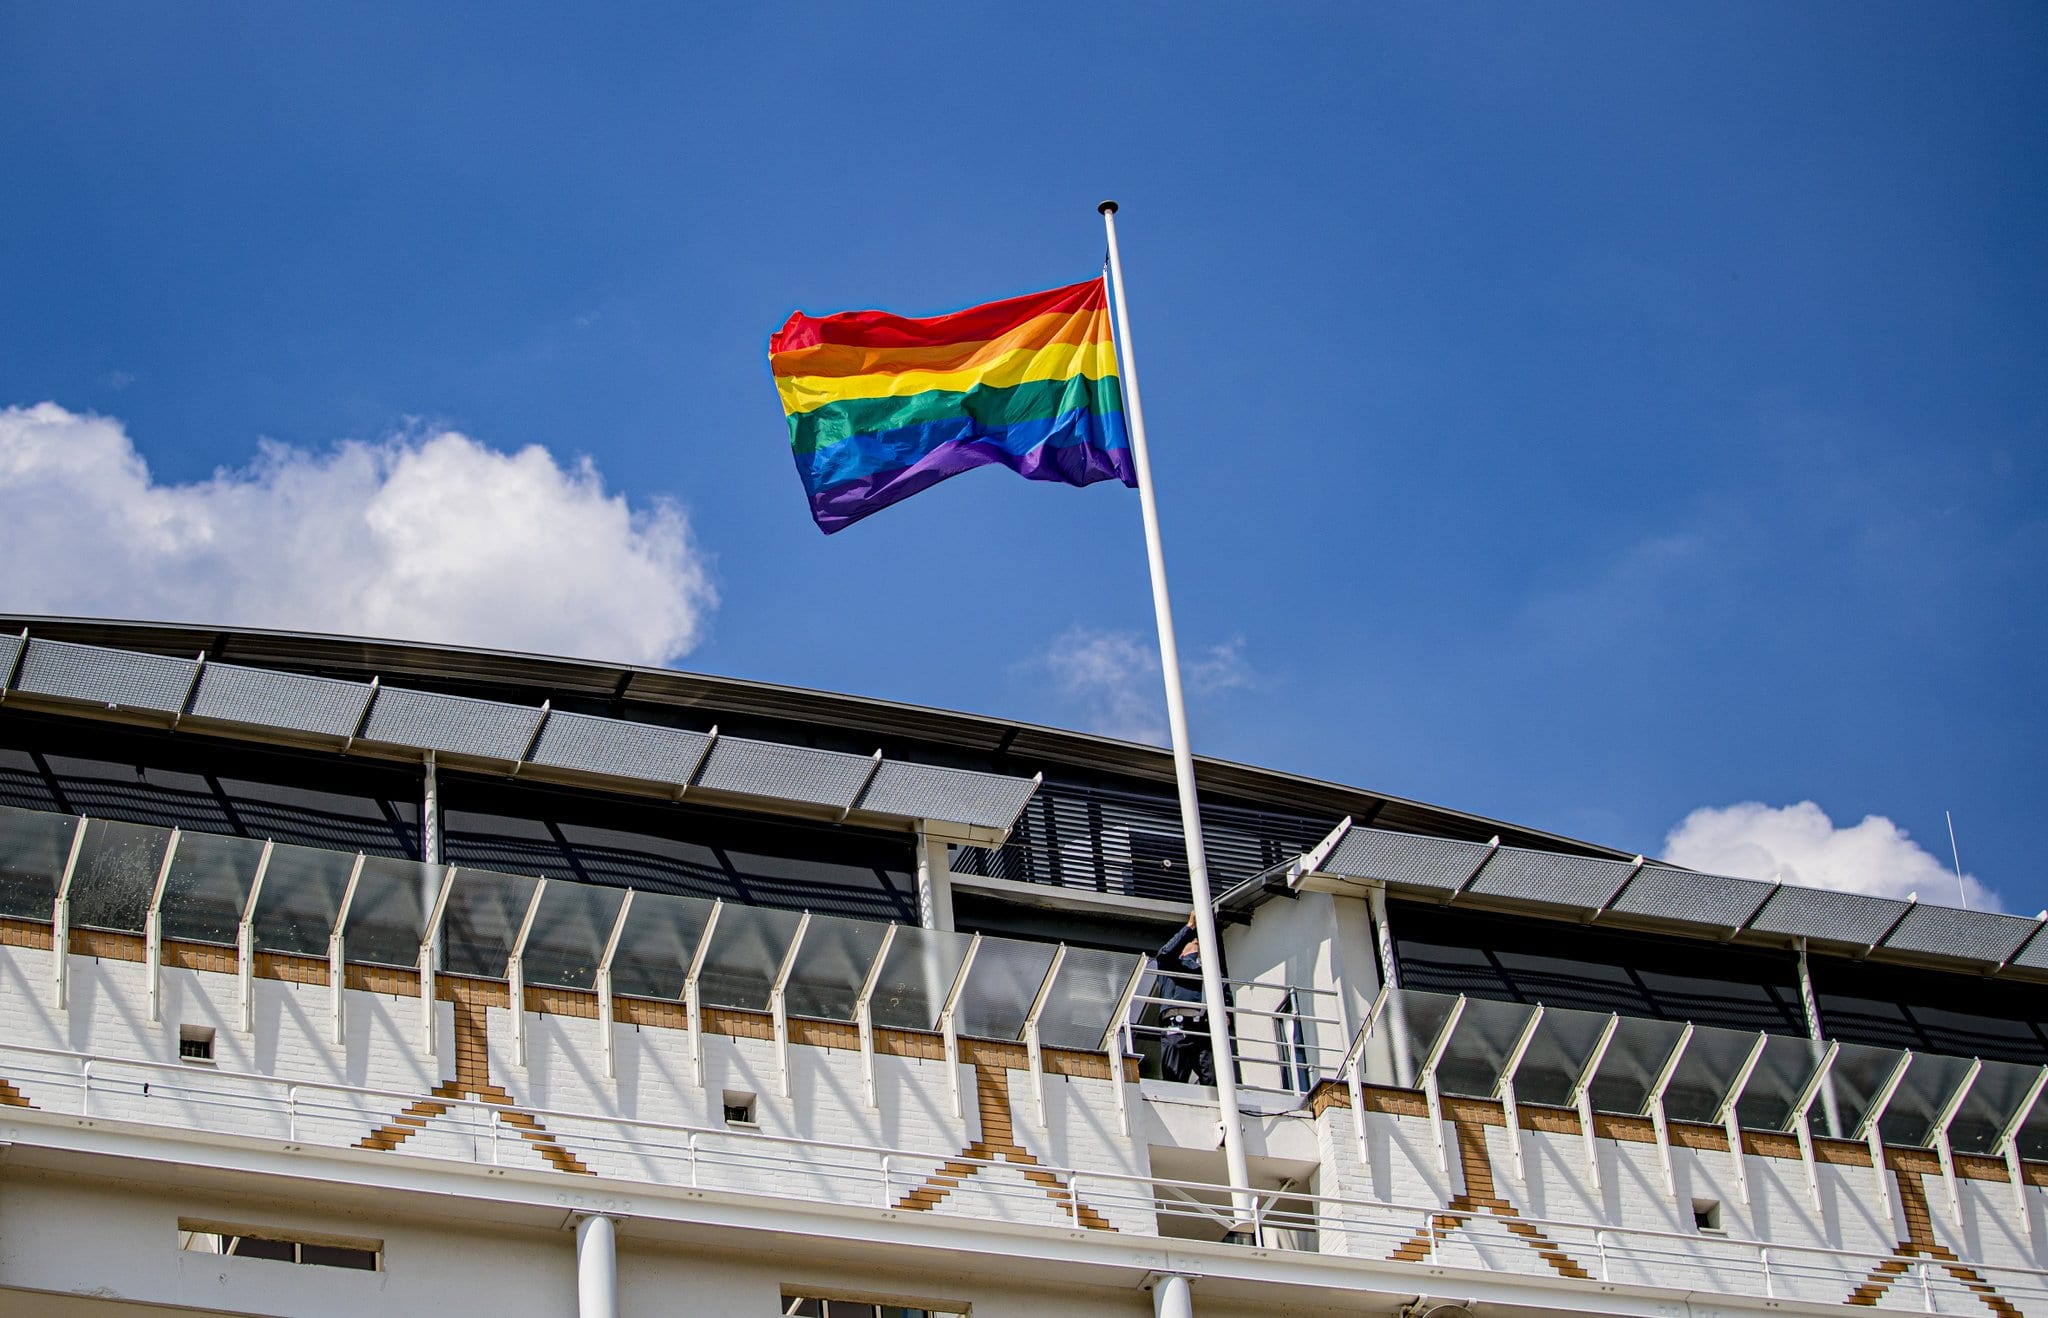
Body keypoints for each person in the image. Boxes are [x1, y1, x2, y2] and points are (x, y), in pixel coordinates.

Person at [1152, 911, 1226, 1085]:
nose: (1195, 943)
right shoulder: (1170, 964)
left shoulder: (1209, 971)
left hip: (1201, 1026)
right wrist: (1189, 926)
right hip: (1177, 1025)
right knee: (1174, 1079)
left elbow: (1224, 991)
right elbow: (1164, 954)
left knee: (1214, 1078)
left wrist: (1226, 1013)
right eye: (1191, 941)